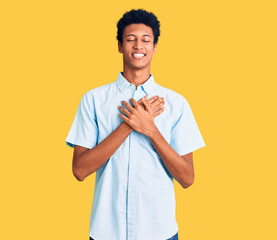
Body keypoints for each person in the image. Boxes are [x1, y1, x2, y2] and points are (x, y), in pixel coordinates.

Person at [65, 9, 205, 240]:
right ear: (120, 46)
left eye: (145, 40)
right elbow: (80, 170)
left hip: (160, 232)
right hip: (107, 232)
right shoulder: (93, 99)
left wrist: (150, 129)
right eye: (130, 39)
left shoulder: (176, 103)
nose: (138, 46)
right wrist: (128, 125)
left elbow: (187, 178)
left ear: (155, 47)